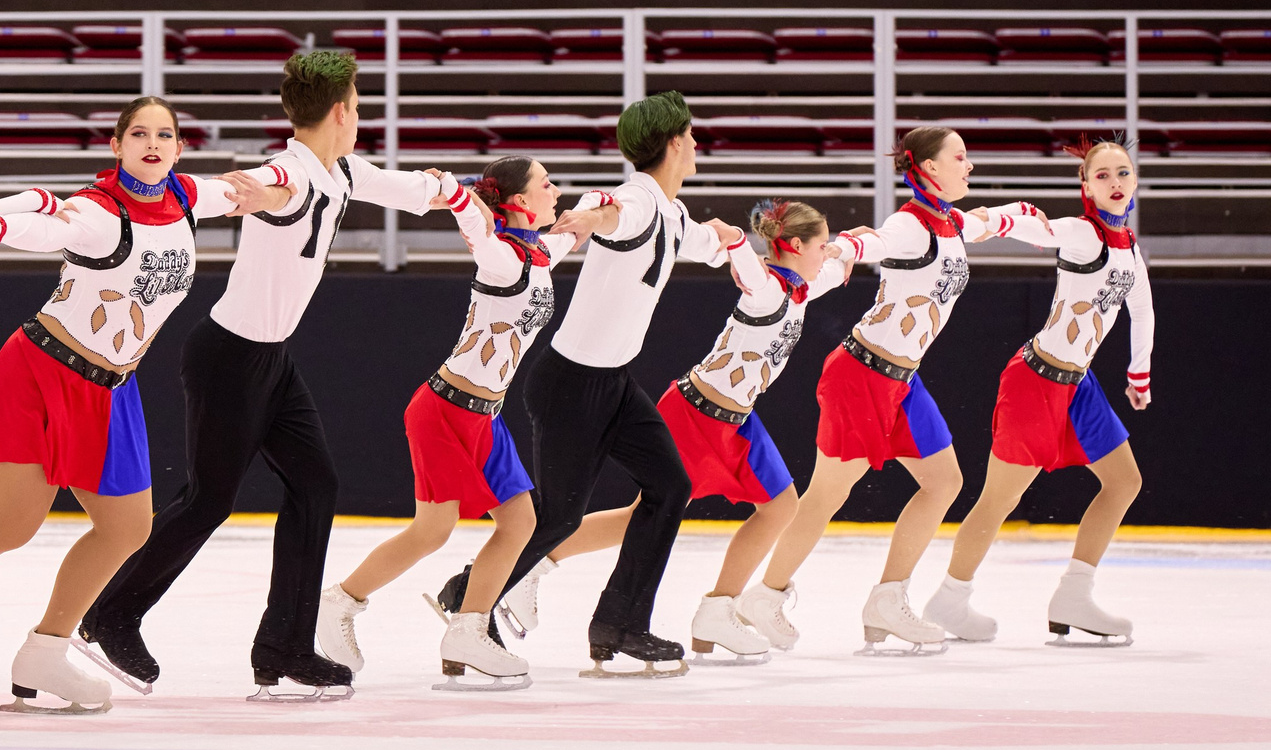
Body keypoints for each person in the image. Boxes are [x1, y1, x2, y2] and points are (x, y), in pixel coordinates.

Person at [0, 98, 283, 715]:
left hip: (112, 387)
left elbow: (255, 186)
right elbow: (38, 212)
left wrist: (282, 186)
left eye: (165, 134)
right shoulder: (98, 212)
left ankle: (45, 651)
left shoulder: (190, 197)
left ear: (181, 147)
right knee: (12, 522)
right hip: (41, 371)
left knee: (129, 527)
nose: (152, 143)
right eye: (138, 133)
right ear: (116, 145)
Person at [80, 49, 464, 699]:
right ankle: (110, 613)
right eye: (361, 107)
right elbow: (274, 190)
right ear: (342, 112)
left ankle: (284, 645)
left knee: (316, 485)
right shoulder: (291, 173)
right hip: (228, 355)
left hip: (271, 360)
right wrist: (255, 196)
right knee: (208, 499)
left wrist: (454, 190)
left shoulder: (338, 170)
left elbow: (402, 189)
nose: (360, 117)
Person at [436, 93, 748, 678]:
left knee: (669, 486)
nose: (699, 144)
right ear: (675, 143)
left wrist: (725, 237)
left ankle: (621, 624)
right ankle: (467, 594)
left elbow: (698, 241)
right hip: (571, 385)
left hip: (615, 384)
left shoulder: (673, 214)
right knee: (557, 517)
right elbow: (608, 209)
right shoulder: (634, 201)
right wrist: (584, 217)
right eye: (693, 135)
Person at [317, 156, 624, 689]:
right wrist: (459, 198)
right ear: (522, 201)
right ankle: (339, 601)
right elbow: (481, 233)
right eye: (546, 184)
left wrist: (599, 207)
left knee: (521, 523)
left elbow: (571, 233)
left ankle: (468, 628)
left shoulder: (538, 250)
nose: (556, 190)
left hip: (487, 415)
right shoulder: (502, 257)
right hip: (445, 410)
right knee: (432, 531)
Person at [737, 128, 1042, 652]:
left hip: (903, 381)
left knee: (944, 481)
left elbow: (985, 223)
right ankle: (764, 595)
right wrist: (843, 245)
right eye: (960, 158)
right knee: (826, 497)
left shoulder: (949, 222)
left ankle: (888, 598)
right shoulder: (909, 224)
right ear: (927, 168)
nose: (969, 166)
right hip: (861, 376)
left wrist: (1021, 214)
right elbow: (872, 239)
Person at [932, 138, 1153, 645]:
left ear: (1135, 180)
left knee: (1123, 482)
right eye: (1102, 176)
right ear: (1085, 186)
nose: (1115, 183)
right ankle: (950, 598)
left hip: (1080, 386)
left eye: (1123, 173)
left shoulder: (1129, 247)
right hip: (1036, 382)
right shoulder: (1081, 235)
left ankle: (1075, 593)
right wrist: (982, 220)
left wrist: (1138, 375)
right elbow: (1033, 223)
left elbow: (1141, 310)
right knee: (998, 501)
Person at [651, 199, 865, 659]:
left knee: (780, 505)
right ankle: (539, 563)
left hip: (739, 419)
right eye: (820, 245)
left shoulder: (803, 285)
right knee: (643, 516)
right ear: (793, 245)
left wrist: (852, 245)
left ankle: (717, 609)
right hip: (695, 414)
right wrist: (733, 242)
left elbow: (841, 257)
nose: (825, 253)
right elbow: (748, 269)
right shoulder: (766, 289)